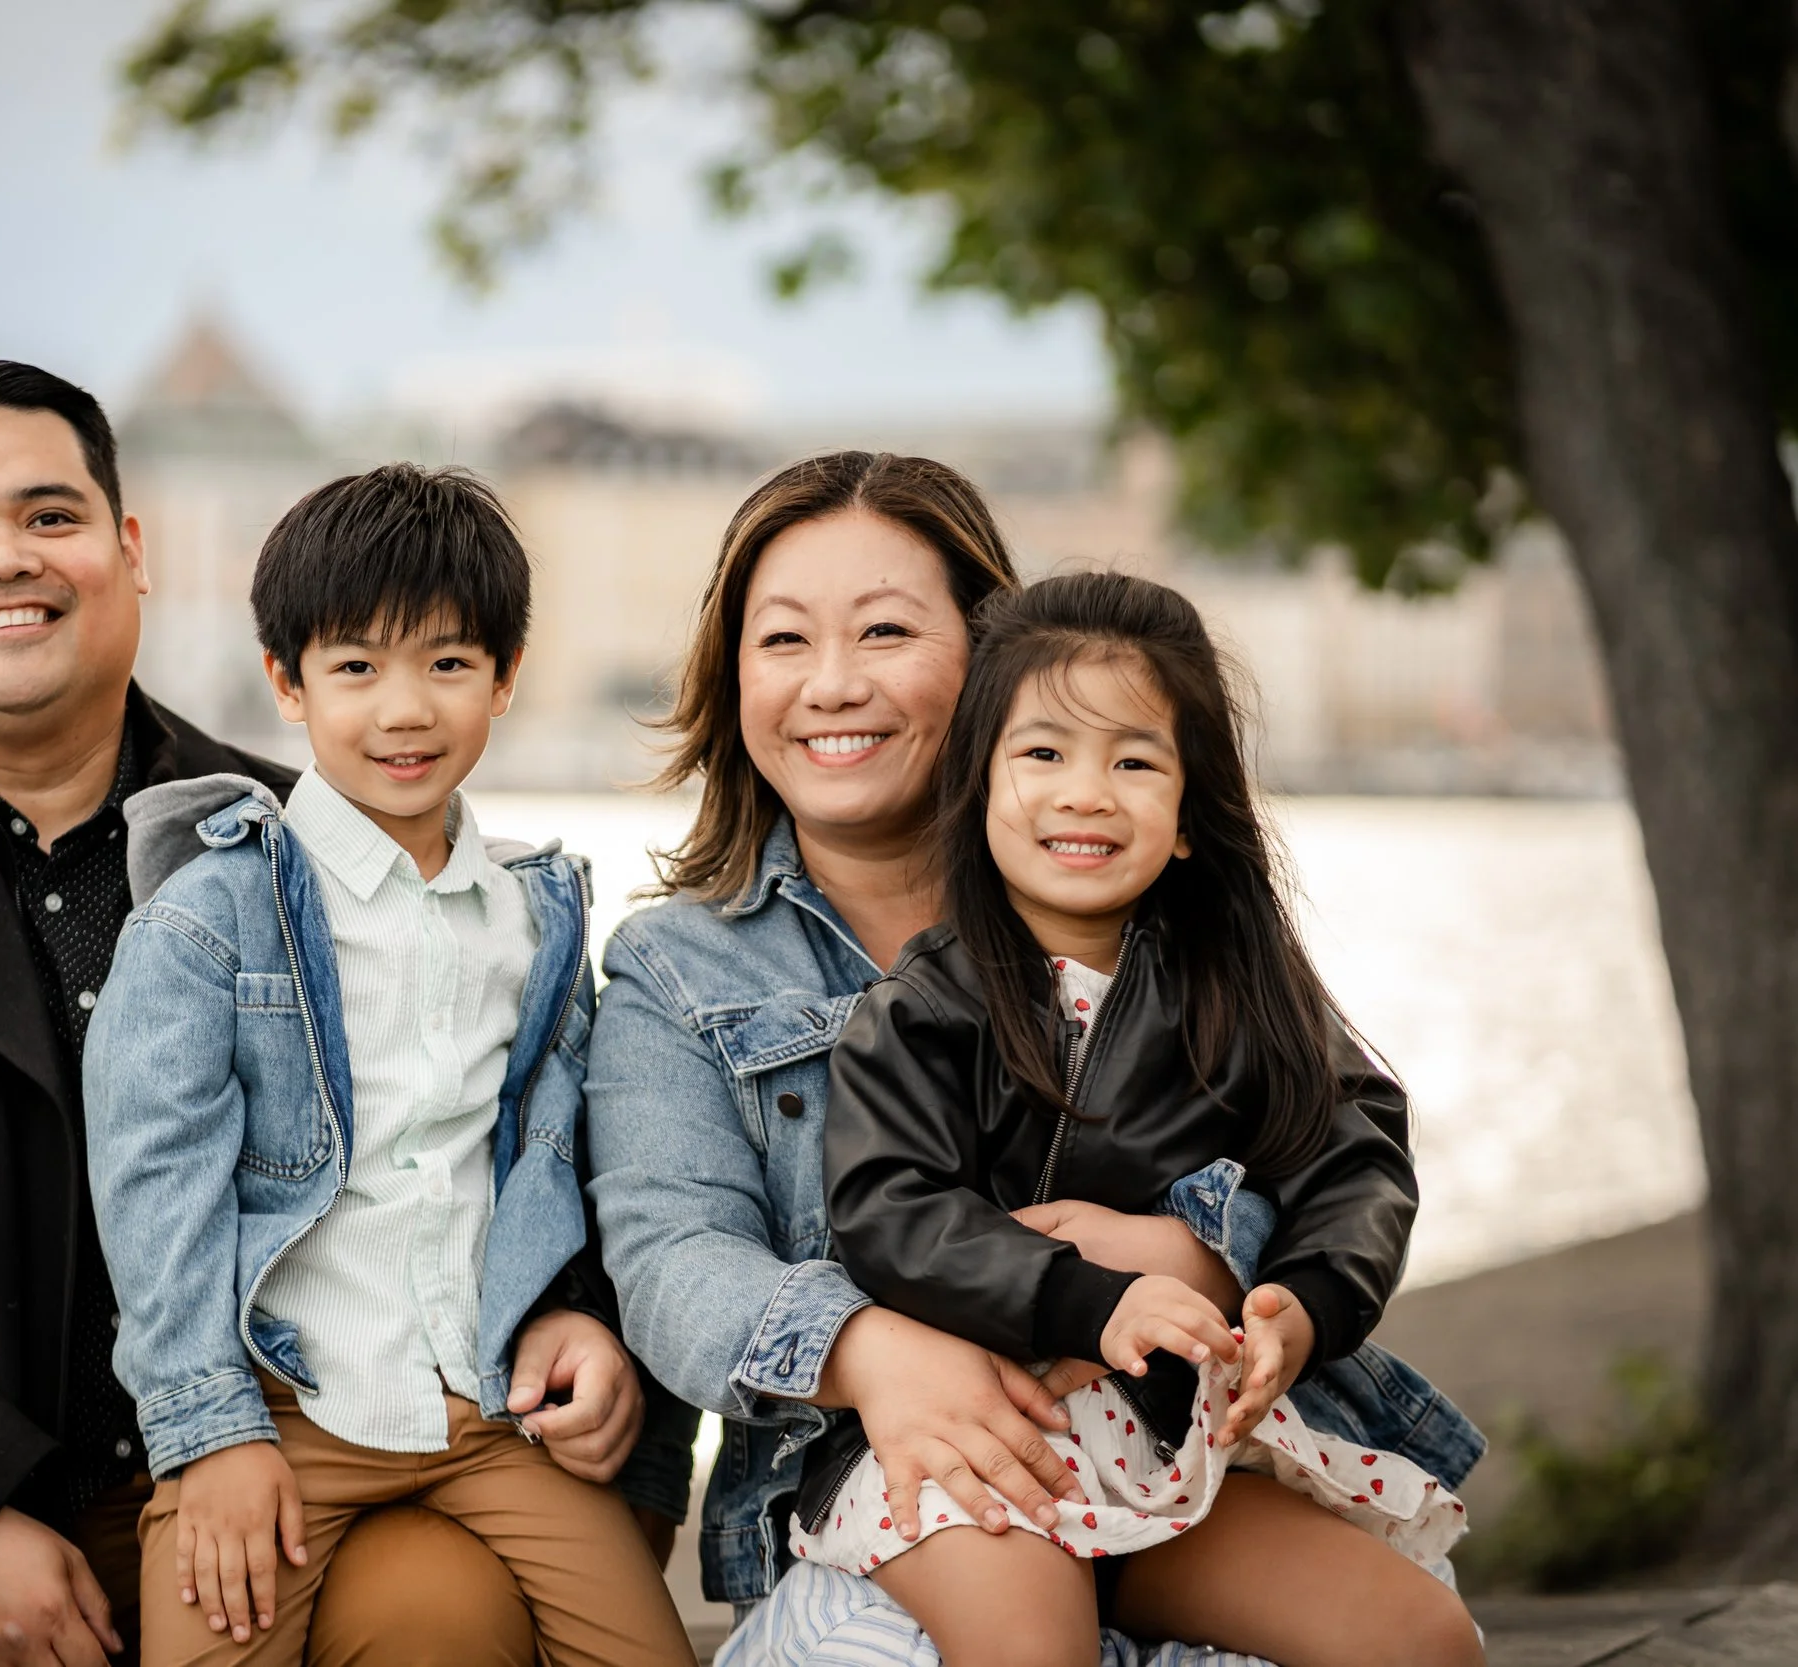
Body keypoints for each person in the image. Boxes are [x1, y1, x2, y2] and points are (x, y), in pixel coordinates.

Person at [0, 361, 621, 1666]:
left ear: (131, 553)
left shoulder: (305, 847)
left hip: (275, 1464)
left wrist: (566, 1307)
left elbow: (496, 1112)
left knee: (445, 1615)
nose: (4, 557)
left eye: (51, 515)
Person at [581, 454, 1473, 1667]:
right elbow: (675, 1256)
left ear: (991, 655)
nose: (831, 683)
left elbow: (1337, 1146)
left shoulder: (1158, 920)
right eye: (782, 639)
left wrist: (1217, 1264)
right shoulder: (680, 968)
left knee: (1410, 1635)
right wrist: (870, 1350)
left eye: (886, 630)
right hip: (913, 1472)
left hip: (1163, 1441)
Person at [783, 572, 1483, 1667]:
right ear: (973, 786)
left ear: (1192, 813)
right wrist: (1083, 1297)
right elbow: (889, 1208)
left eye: (1134, 759)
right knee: (1033, 1648)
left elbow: (1355, 1159)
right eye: (1044, 753)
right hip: (987, 1446)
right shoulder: (921, 1007)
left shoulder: (1240, 994)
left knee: (1418, 1635)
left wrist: (1303, 1302)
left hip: (1173, 1451)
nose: (1086, 792)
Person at [83, 463, 696, 1667]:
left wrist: (576, 1321)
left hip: (486, 1408)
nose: (403, 708)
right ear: (287, 680)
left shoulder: (537, 913)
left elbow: (556, 1160)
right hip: (281, 1414)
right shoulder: (212, 915)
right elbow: (156, 1191)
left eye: (449, 664)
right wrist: (206, 1433)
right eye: (356, 667)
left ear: (507, 675)